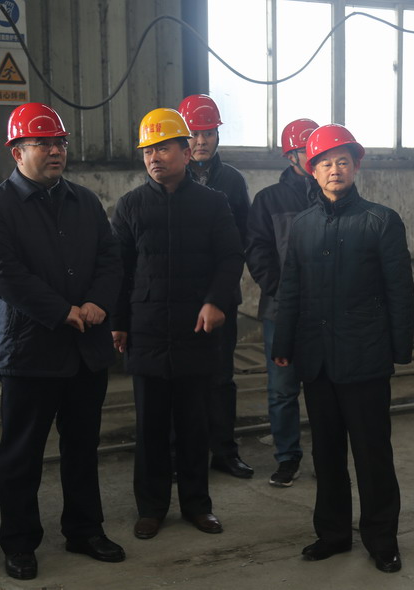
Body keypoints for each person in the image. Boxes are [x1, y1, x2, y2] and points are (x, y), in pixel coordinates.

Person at [0, 103, 125, 580]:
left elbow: (110, 258)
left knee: (82, 448)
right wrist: (62, 311)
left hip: (85, 351)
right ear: (17, 151)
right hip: (30, 353)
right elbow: (2, 273)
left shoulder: (85, 202)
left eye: (60, 143)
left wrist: (98, 301)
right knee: (22, 454)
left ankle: (84, 529)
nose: (56, 150)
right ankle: (19, 542)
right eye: (43, 143)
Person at [271, 124, 414, 573]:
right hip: (316, 360)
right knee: (326, 453)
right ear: (311, 171)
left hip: (364, 357)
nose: (334, 170)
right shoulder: (303, 226)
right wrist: (284, 342)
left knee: (373, 454)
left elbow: (399, 289)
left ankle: (381, 540)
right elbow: (290, 288)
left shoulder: (381, 221)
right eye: (325, 163)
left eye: (342, 161)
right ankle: (332, 534)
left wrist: (398, 348)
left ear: (355, 166)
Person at [110, 107, 244, 540]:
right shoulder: (130, 206)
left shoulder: (213, 203)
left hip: (195, 330)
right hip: (147, 330)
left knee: (193, 424)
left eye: (164, 148)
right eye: (148, 150)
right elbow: (119, 270)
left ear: (186, 153)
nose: (154, 157)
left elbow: (231, 257)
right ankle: (151, 508)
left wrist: (216, 301)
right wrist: (118, 322)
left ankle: (197, 506)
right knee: (150, 427)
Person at [178, 93, 253, 479]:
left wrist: (221, 292)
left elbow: (243, 239)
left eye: (207, 133)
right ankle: (184, 456)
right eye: (193, 134)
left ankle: (224, 451)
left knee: (221, 377)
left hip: (221, 296)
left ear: (217, 136)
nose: (201, 141)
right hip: (180, 297)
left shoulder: (233, 181)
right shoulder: (170, 175)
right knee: (181, 378)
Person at [245, 118, 318, 487]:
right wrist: (281, 291)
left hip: (325, 312)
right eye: (307, 150)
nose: (316, 156)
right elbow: (257, 252)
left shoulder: (332, 193)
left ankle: (327, 455)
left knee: (325, 387)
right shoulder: (268, 200)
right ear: (291, 156)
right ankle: (287, 458)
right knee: (282, 389)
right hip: (280, 311)